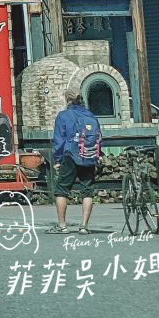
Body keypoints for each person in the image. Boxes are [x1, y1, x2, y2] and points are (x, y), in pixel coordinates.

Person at [49, 87, 101, 234]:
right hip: (88, 155)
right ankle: (84, 226)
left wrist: (57, 159)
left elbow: (59, 140)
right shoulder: (91, 115)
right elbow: (98, 137)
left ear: (67, 99)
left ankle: (62, 226)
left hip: (70, 155)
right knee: (87, 190)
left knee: (62, 190)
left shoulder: (63, 115)